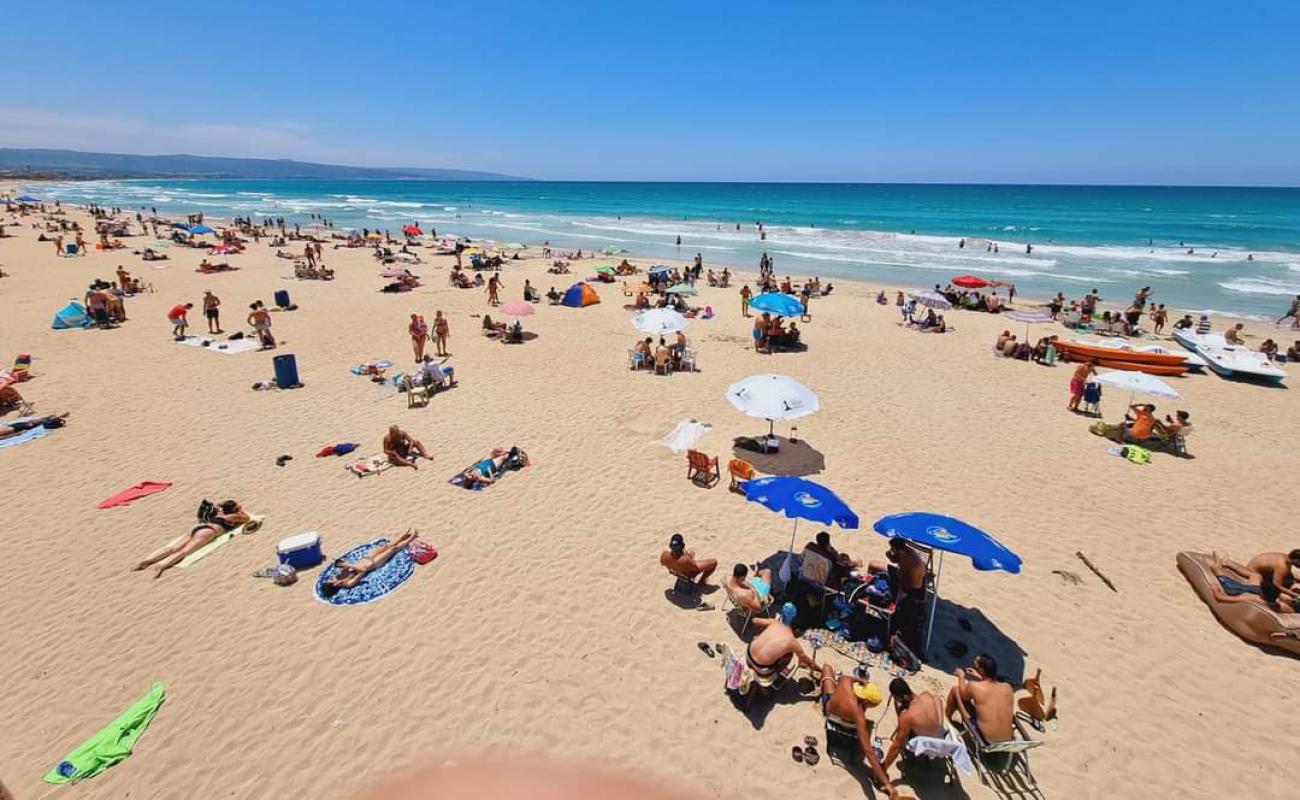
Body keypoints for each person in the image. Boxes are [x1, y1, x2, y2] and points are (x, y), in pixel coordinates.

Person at [818, 667, 897, 799]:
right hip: (847, 722)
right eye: (872, 705)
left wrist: (862, 681)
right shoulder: (858, 715)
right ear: (865, 701)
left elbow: (847, 677)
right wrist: (887, 783)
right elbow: (869, 751)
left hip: (830, 711)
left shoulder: (845, 683)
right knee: (867, 725)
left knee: (827, 669)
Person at [135, 499, 251, 579]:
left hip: (198, 527)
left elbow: (219, 505)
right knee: (184, 551)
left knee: (172, 547)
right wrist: (240, 510)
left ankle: (147, 560)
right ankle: (162, 565)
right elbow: (246, 518)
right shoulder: (233, 516)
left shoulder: (219, 513)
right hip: (208, 532)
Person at [320, 530, 420, 597]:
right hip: (373, 564)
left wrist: (340, 564)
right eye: (330, 582)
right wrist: (348, 566)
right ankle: (412, 537)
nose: (331, 579)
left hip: (366, 558)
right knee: (393, 549)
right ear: (334, 586)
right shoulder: (348, 584)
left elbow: (346, 568)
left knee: (386, 546)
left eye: (330, 581)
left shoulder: (337, 577)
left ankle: (402, 537)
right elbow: (363, 571)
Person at [881, 678, 949, 774]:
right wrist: (940, 723)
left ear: (904, 697)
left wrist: (884, 767)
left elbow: (896, 746)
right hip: (940, 737)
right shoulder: (927, 695)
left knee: (904, 723)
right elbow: (939, 701)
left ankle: (902, 726)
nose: (896, 700)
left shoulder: (908, 716)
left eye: (896, 698)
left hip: (925, 744)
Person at [946, 654, 1016, 744]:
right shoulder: (1007, 687)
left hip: (987, 740)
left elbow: (963, 695)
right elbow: (991, 689)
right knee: (989, 704)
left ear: (982, 670)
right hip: (1007, 739)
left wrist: (961, 676)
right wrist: (980, 678)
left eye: (976, 667)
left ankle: (948, 716)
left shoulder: (974, 686)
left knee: (955, 690)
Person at [746, 605, 818, 677]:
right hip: (761, 668)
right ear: (798, 630)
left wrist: (763, 631)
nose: (802, 634)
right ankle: (777, 672)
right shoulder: (792, 642)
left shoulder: (774, 622)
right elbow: (808, 662)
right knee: (789, 654)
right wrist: (821, 669)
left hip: (748, 655)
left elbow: (755, 620)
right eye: (803, 632)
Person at [0, 412, 68, 441]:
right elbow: (5, 437)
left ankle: (52, 417)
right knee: (35, 423)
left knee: (34, 421)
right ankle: (58, 417)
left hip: (12, 426)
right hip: (15, 429)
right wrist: (18, 434)